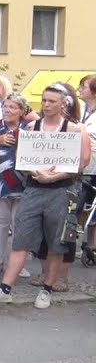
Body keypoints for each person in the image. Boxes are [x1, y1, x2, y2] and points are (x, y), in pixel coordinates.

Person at [0, 84, 90, 308]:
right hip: (33, 188)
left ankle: (47, 288)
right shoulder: (32, 127)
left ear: (63, 104)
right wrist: (35, 172)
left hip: (62, 190)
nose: (47, 105)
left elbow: (80, 163)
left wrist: (55, 176)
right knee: (21, 238)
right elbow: (23, 157)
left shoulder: (74, 130)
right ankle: (5, 289)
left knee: (56, 241)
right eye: (44, 100)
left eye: (52, 101)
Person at [0, 94, 30, 275]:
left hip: (24, 184)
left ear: (22, 111)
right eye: (5, 107)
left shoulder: (29, 129)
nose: (7, 110)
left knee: (21, 225)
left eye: (12, 107)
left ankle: (19, 263)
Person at [78, 75, 96, 264]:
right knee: (76, 206)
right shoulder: (80, 110)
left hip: (95, 162)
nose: (80, 90)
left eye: (83, 87)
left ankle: (92, 245)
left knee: (94, 209)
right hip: (79, 165)